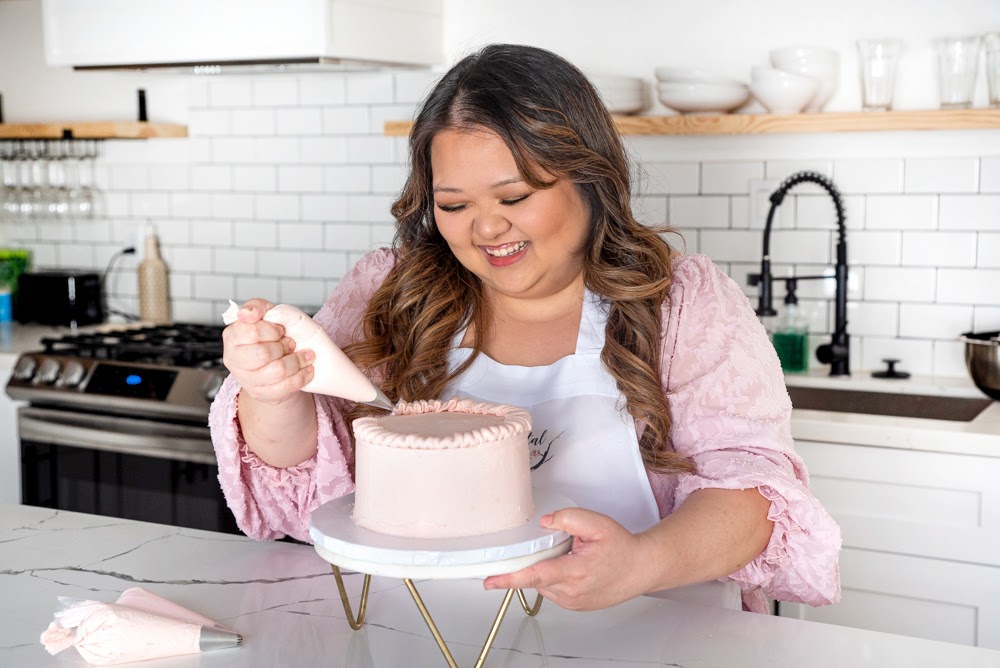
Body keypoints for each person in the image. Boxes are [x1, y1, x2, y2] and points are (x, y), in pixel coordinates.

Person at [210, 43, 841, 614]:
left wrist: (642, 563)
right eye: (454, 205)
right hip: (429, 636)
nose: (485, 230)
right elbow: (301, 494)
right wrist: (274, 393)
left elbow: (753, 495)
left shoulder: (680, 305)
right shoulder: (391, 293)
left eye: (513, 199)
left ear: (591, 180)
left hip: (659, 634)